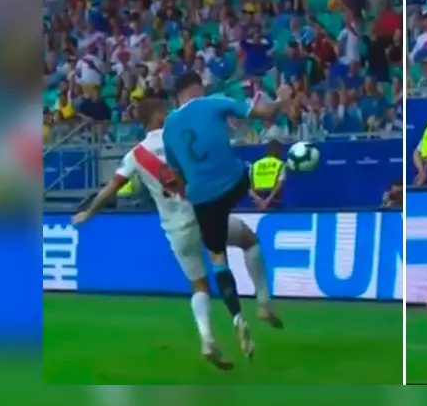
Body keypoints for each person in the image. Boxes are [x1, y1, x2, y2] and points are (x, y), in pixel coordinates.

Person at [70, 99, 282, 370]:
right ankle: (263, 303)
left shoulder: (136, 155)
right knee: (248, 240)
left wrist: (89, 213)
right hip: (201, 213)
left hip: (175, 229)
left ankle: (207, 339)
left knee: (199, 286)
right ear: (159, 115)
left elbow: (112, 187)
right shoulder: (177, 135)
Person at [162, 71, 292, 359]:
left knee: (218, 259)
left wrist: (187, 192)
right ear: (198, 87)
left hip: (203, 198)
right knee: (249, 239)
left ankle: (236, 317)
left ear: (178, 95)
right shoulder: (214, 102)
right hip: (234, 183)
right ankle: (263, 302)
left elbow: (176, 174)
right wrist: (281, 99)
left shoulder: (169, 126)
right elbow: (265, 112)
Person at [249, 140, 286, 210]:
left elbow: (248, 187)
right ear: (279, 151)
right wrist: (267, 201)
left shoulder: (255, 165)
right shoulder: (280, 164)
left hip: (257, 203)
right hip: (274, 202)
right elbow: (279, 185)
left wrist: (258, 200)